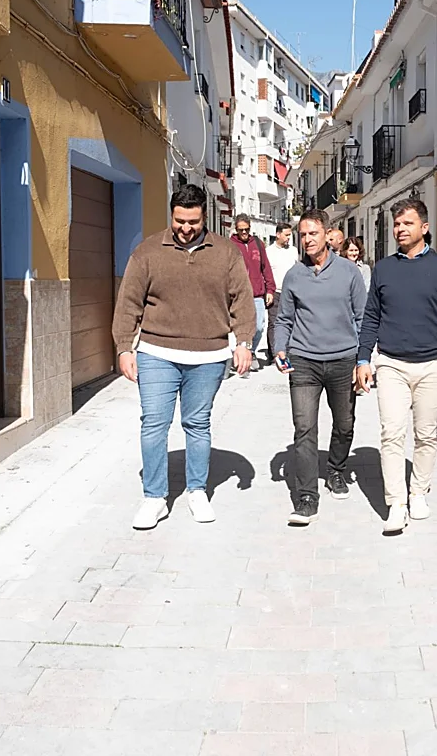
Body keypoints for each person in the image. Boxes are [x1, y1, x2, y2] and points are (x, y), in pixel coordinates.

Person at [112, 185, 256, 531]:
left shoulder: (225, 253)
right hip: (156, 353)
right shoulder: (147, 252)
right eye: (180, 221)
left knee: (197, 423)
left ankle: (196, 490)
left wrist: (244, 342)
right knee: (154, 424)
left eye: (193, 221)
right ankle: (154, 497)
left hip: (209, 355)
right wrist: (124, 348)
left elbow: (241, 299)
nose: (186, 228)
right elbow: (129, 302)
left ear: (204, 217)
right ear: (172, 215)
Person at [356, 198, 437, 534]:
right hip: (390, 363)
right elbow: (371, 317)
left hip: (432, 364)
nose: (400, 229)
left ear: (425, 227)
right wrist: (364, 358)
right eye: (396, 224)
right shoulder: (384, 269)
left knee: (426, 434)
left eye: (407, 223)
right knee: (391, 434)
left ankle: (418, 491)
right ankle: (396, 503)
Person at [274, 209, 367, 524]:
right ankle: (306, 497)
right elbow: (284, 318)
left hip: (344, 361)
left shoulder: (349, 272)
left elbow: (362, 316)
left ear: (328, 234)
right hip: (303, 363)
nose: (306, 239)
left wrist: (363, 359)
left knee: (344, 424)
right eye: (302, 234)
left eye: (312, 233)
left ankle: (337, 470)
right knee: (304, 428)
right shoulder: (294, 275)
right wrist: (279, 348)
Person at [231, 214, 276, 375]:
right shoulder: (230, 245)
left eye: (246, 229)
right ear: (235, 229)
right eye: (240, 230)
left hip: (257, 293)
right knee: (241, 327)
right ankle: (242, 355)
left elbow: (266, 267)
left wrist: (270, 289)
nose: (244, 232)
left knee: (258, 327)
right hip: (238, 293)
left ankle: (250, 352)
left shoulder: (257, 243)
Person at [265, 221, 299, 360]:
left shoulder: (293, 251)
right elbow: (266, 273)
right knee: (274, 322)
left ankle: (288, 348)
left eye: (290, 235)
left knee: (291, 321)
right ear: (278, 234)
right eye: (286, 235)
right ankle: (274, 353)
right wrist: (268, 291)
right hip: (275, 292)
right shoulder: (268, 252)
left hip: (291, 292)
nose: (288, 238)